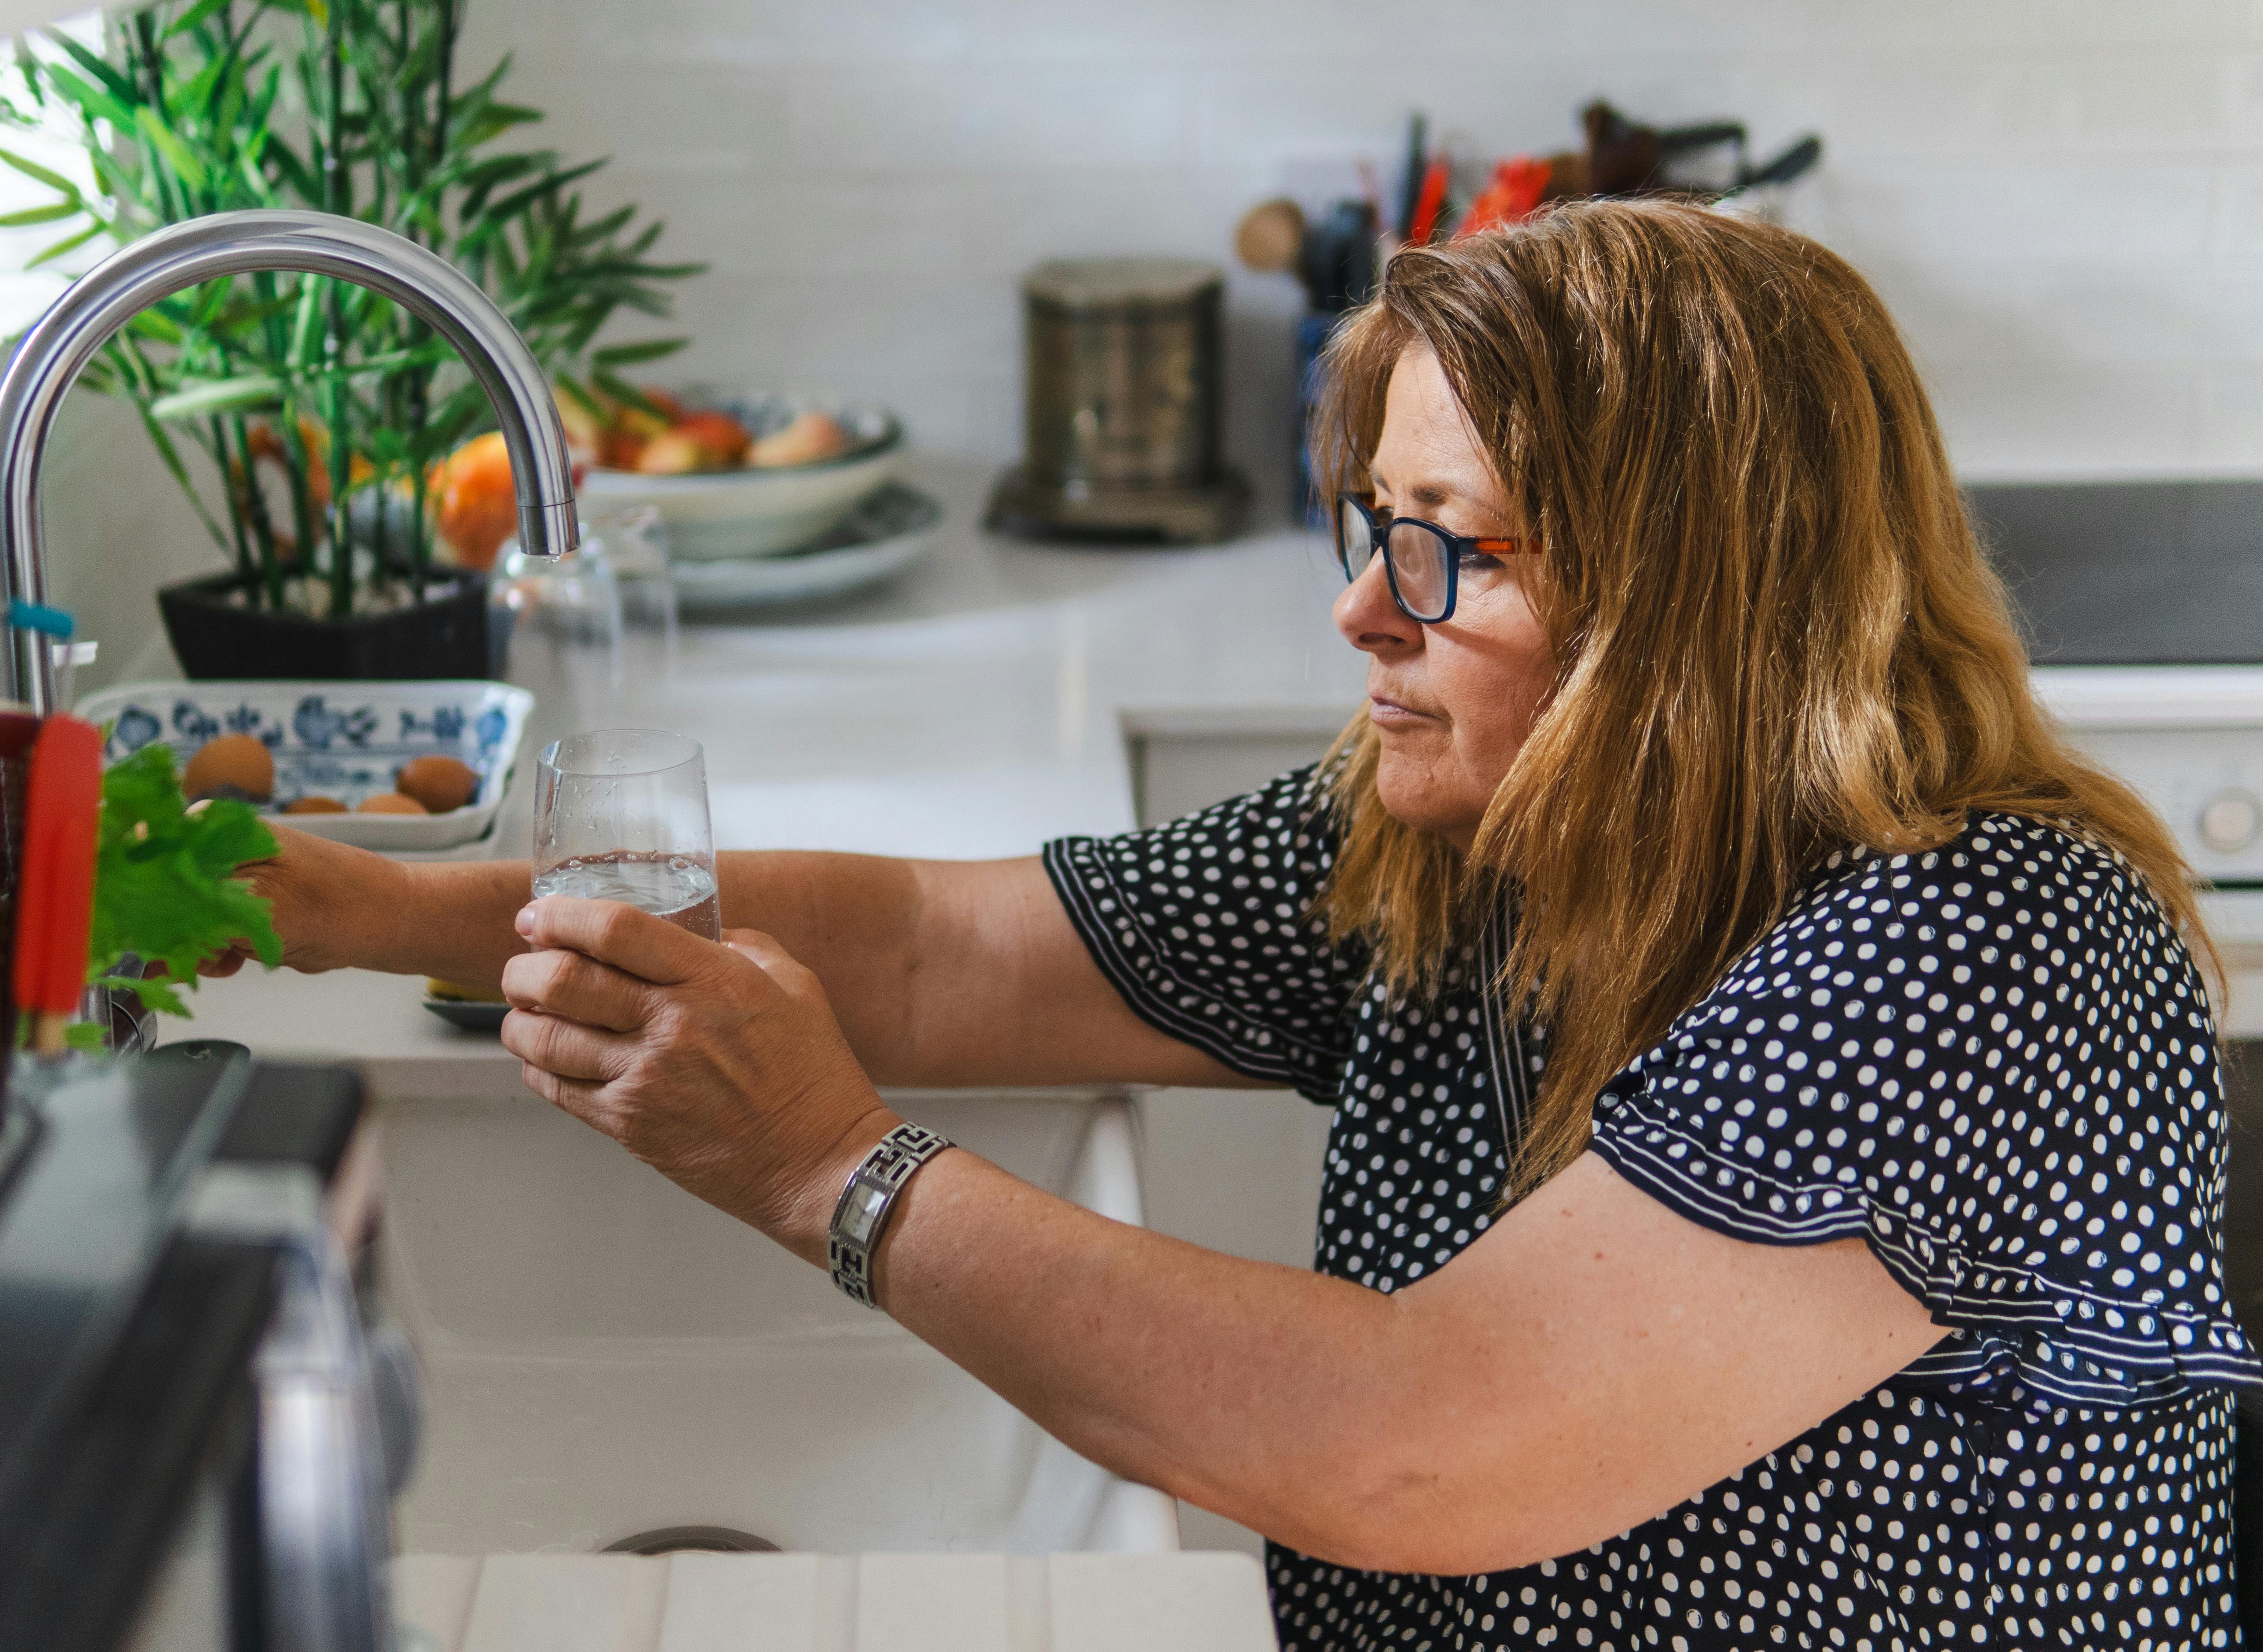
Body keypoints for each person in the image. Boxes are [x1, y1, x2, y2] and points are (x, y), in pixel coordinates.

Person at [227, 200, 2256, 1649]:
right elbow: (948, 949)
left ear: (1689, 601)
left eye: (1453, 551)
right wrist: (359, 907)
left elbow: (1419, 1445)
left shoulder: (1986, 943)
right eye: (1375, 528)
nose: (1366, 611)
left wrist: (827, 1166)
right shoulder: (1468, 834)